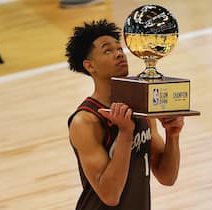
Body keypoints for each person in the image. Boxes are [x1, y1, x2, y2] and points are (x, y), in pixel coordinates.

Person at [66, 19, 184, 210]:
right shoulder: (85, 121)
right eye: (108, 50)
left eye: (119, 48)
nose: (119, 54)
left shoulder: (141, 106)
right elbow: (110, 195)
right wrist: (126, 133)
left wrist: (173, 134)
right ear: (90, 66)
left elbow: (167, 177)